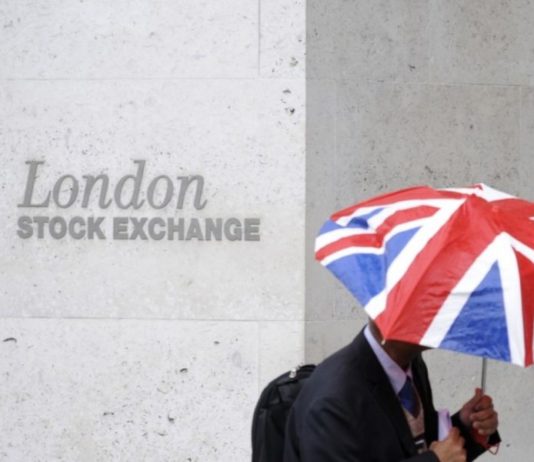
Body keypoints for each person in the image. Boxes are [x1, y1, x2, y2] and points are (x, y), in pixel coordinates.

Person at [284, 320, 500, 462]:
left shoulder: (411, 363)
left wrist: (466, 426)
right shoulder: (333, 401)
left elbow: (416, 445)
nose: (442, 316)